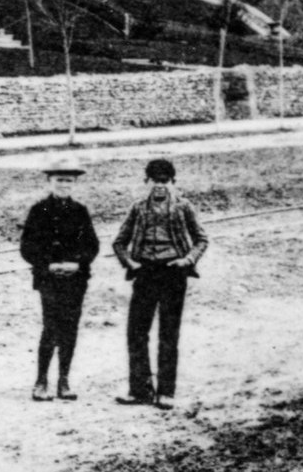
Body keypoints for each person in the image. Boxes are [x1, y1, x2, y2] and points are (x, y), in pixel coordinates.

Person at [112, 158, 209, 410]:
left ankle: (166, 392)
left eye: (165, 181)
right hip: (145, 273)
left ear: (173, 183)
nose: (160, 186)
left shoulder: (184, 207)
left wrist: (187, 260)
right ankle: (140, 390)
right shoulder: (137, 208)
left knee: (169, 333)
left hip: (172, 273)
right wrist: (130, 264)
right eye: (155, 181)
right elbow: (119, 242)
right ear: (146, 182)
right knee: (136, 332)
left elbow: (201, 239)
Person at [19, 155, 98, 403]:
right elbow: (27, 247)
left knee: (70, 329)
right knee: (51, 327)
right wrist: (48, 265)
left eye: (69, 181)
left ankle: (64, 381)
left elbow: (92, 245)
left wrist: (76, 263)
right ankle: (41, 381)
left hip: (75, 279)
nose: (64, 185)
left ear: (75, 183)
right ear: (50, 181)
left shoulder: (80, 211)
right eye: (60, 179)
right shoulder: (38, 210)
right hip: (49, 280)